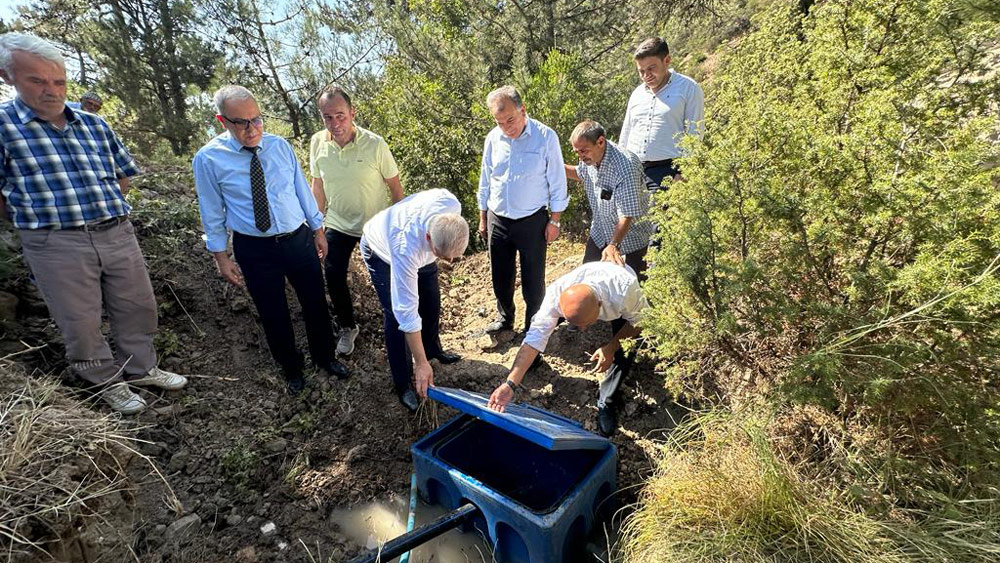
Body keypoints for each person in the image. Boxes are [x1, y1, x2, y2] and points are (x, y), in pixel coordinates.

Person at [0, 33, 188, 414]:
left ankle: (141, 367)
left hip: (115, 230)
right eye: (36, 80)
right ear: (9, 77)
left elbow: (122, 174)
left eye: (58, 81)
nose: (50, 90)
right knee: (80, 320)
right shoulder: (4, 128)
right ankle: (104, 380)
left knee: (137, 305)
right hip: (55, 241)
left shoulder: (92, 125)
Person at [193, 85, 349, 396]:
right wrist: (220, 255)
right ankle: (291, 368)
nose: (252, 130)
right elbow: (211, 209)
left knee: (315, 303)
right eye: (242, 122)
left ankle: (325, 358)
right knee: (272, 311)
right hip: (255, 248)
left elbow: (301, 189)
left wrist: (317, 229)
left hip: (298, 239)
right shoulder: (209, 159)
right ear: (222, 121)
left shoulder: (279, 147)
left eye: (257, 120)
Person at [487, 261, 647, 436]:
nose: (582, 330)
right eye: (577, 325)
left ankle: (607, 401)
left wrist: (610, 348)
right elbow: (534, 339)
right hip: (589, 289)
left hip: (622, 293)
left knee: (626, 347)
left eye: (586, 324)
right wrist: (510, 384)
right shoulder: (556, 295)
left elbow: (640, 322)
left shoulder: (625, 291)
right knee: (540, 326)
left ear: (600, 305)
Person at [309, 86, 403, 356]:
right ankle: (348, 327)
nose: (335, 123)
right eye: (328, 117)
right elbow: (318, 186)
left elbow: (395, 187)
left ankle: (400, 325)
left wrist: (397, 227)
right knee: (334, 272)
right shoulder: (318, 143)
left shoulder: (375, 144)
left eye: (340, 115)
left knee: (387, 277)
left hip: (375, 224)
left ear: (352, 113)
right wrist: (318, 226)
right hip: (338, 223)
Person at [361, 189, 468, 412]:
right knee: (395, 315)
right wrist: (419, 364)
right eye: (443, 256)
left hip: (422, 246)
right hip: (381, 251)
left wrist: (426, 358)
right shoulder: (405, 247)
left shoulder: (450, 204)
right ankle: (403, 384)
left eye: (453, 257)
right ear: (429, 238)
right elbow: (407, 313)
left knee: (430, 300)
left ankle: (432, 350)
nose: (449, 261)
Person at [478, 85, 569, 334]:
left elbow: (557, 181)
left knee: (533, 281)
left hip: (532, 220)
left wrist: (556, 220)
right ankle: (506, 319)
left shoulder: (546, 137)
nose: (507, 127)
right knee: (501, 276)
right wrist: (483, 217)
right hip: (498, 218)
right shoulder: (493, 138)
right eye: (499, 121)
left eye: (510, 119)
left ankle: (533, 327)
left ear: (522, 110)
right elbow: (486, 178)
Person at [565, 120, 653, 278]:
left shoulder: (625, 166)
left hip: (630, 240)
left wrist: (614, 245)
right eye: (576, 152)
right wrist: (553, 166)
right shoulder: (589, 156)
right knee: (587, 281)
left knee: (631, 289)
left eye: (583, 151)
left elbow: (627, 214)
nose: (580, 156)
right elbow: (580, 173)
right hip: (600, 233)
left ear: (600, 141)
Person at [619, 37, 704, 191]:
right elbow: (626, 133)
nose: (646, 75)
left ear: (667, 60)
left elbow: (695, 133)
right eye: (641, 71)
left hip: (668, 173)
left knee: (661, 216)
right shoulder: (637, 93)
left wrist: (683, 173)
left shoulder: (688, 88)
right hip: (632, 173)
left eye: (651, 68)